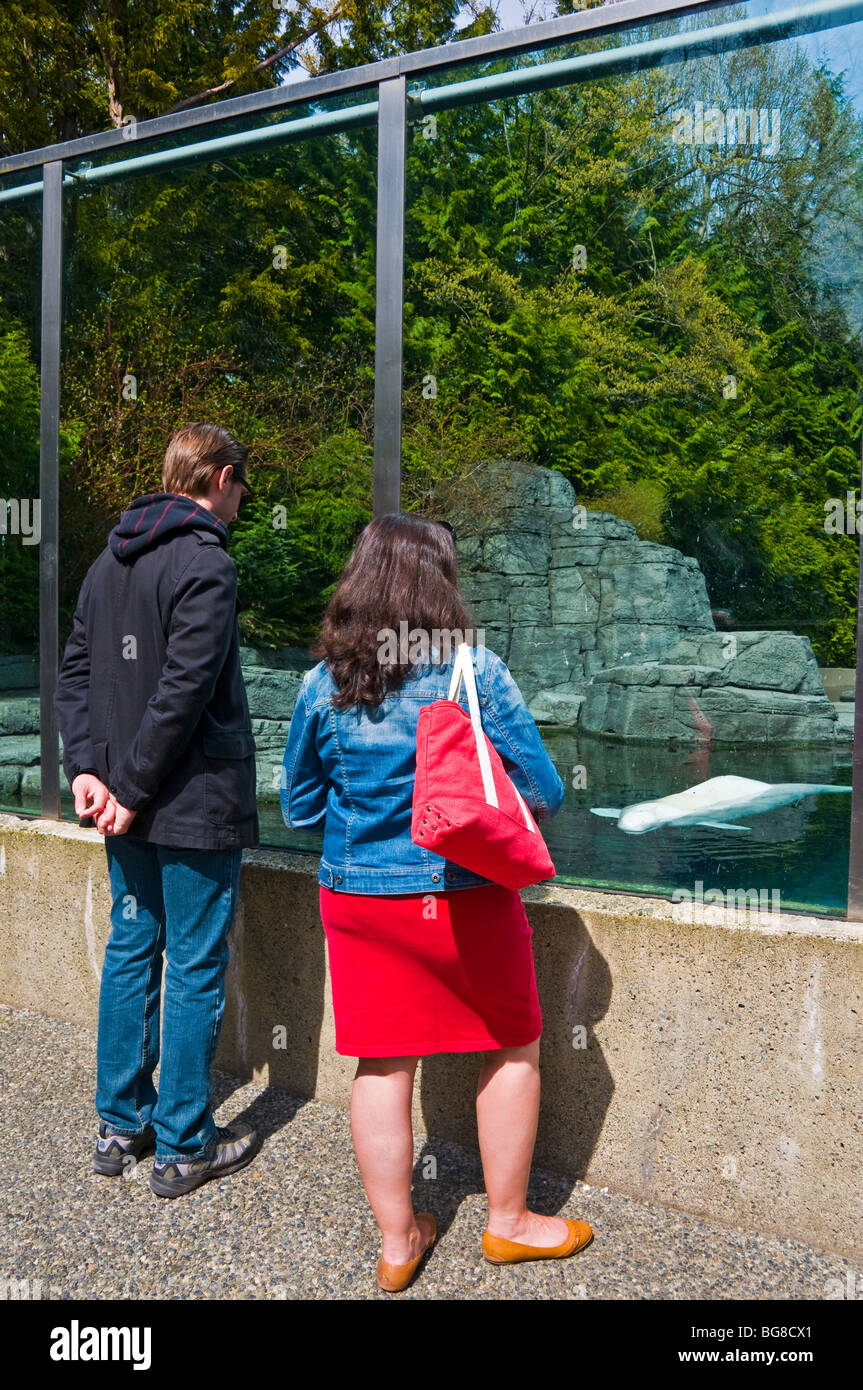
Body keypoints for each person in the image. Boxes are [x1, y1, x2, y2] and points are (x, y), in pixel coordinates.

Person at [280, 512, 593, 1292]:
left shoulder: (322, 681)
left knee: (381, 1065)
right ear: (439, 585)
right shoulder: (474, 672)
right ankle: (510, 1224)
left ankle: (397, 1241)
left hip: (358, 900)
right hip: (465, 898)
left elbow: (297, 806)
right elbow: (545, 793)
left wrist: (369, 825)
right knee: (512, 1042)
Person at [54, 422, 261, 1198]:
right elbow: (184, 690)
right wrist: (131, 788)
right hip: (187, 802)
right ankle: (182, 1147)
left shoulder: (110, 559)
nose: (242, 503)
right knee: (195, 965)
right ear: (220, 477)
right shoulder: (206, 561)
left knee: (132, 949)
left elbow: (74, 672)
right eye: (242, 488)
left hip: (119, 802)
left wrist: (88, 774)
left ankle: (119, 1126)